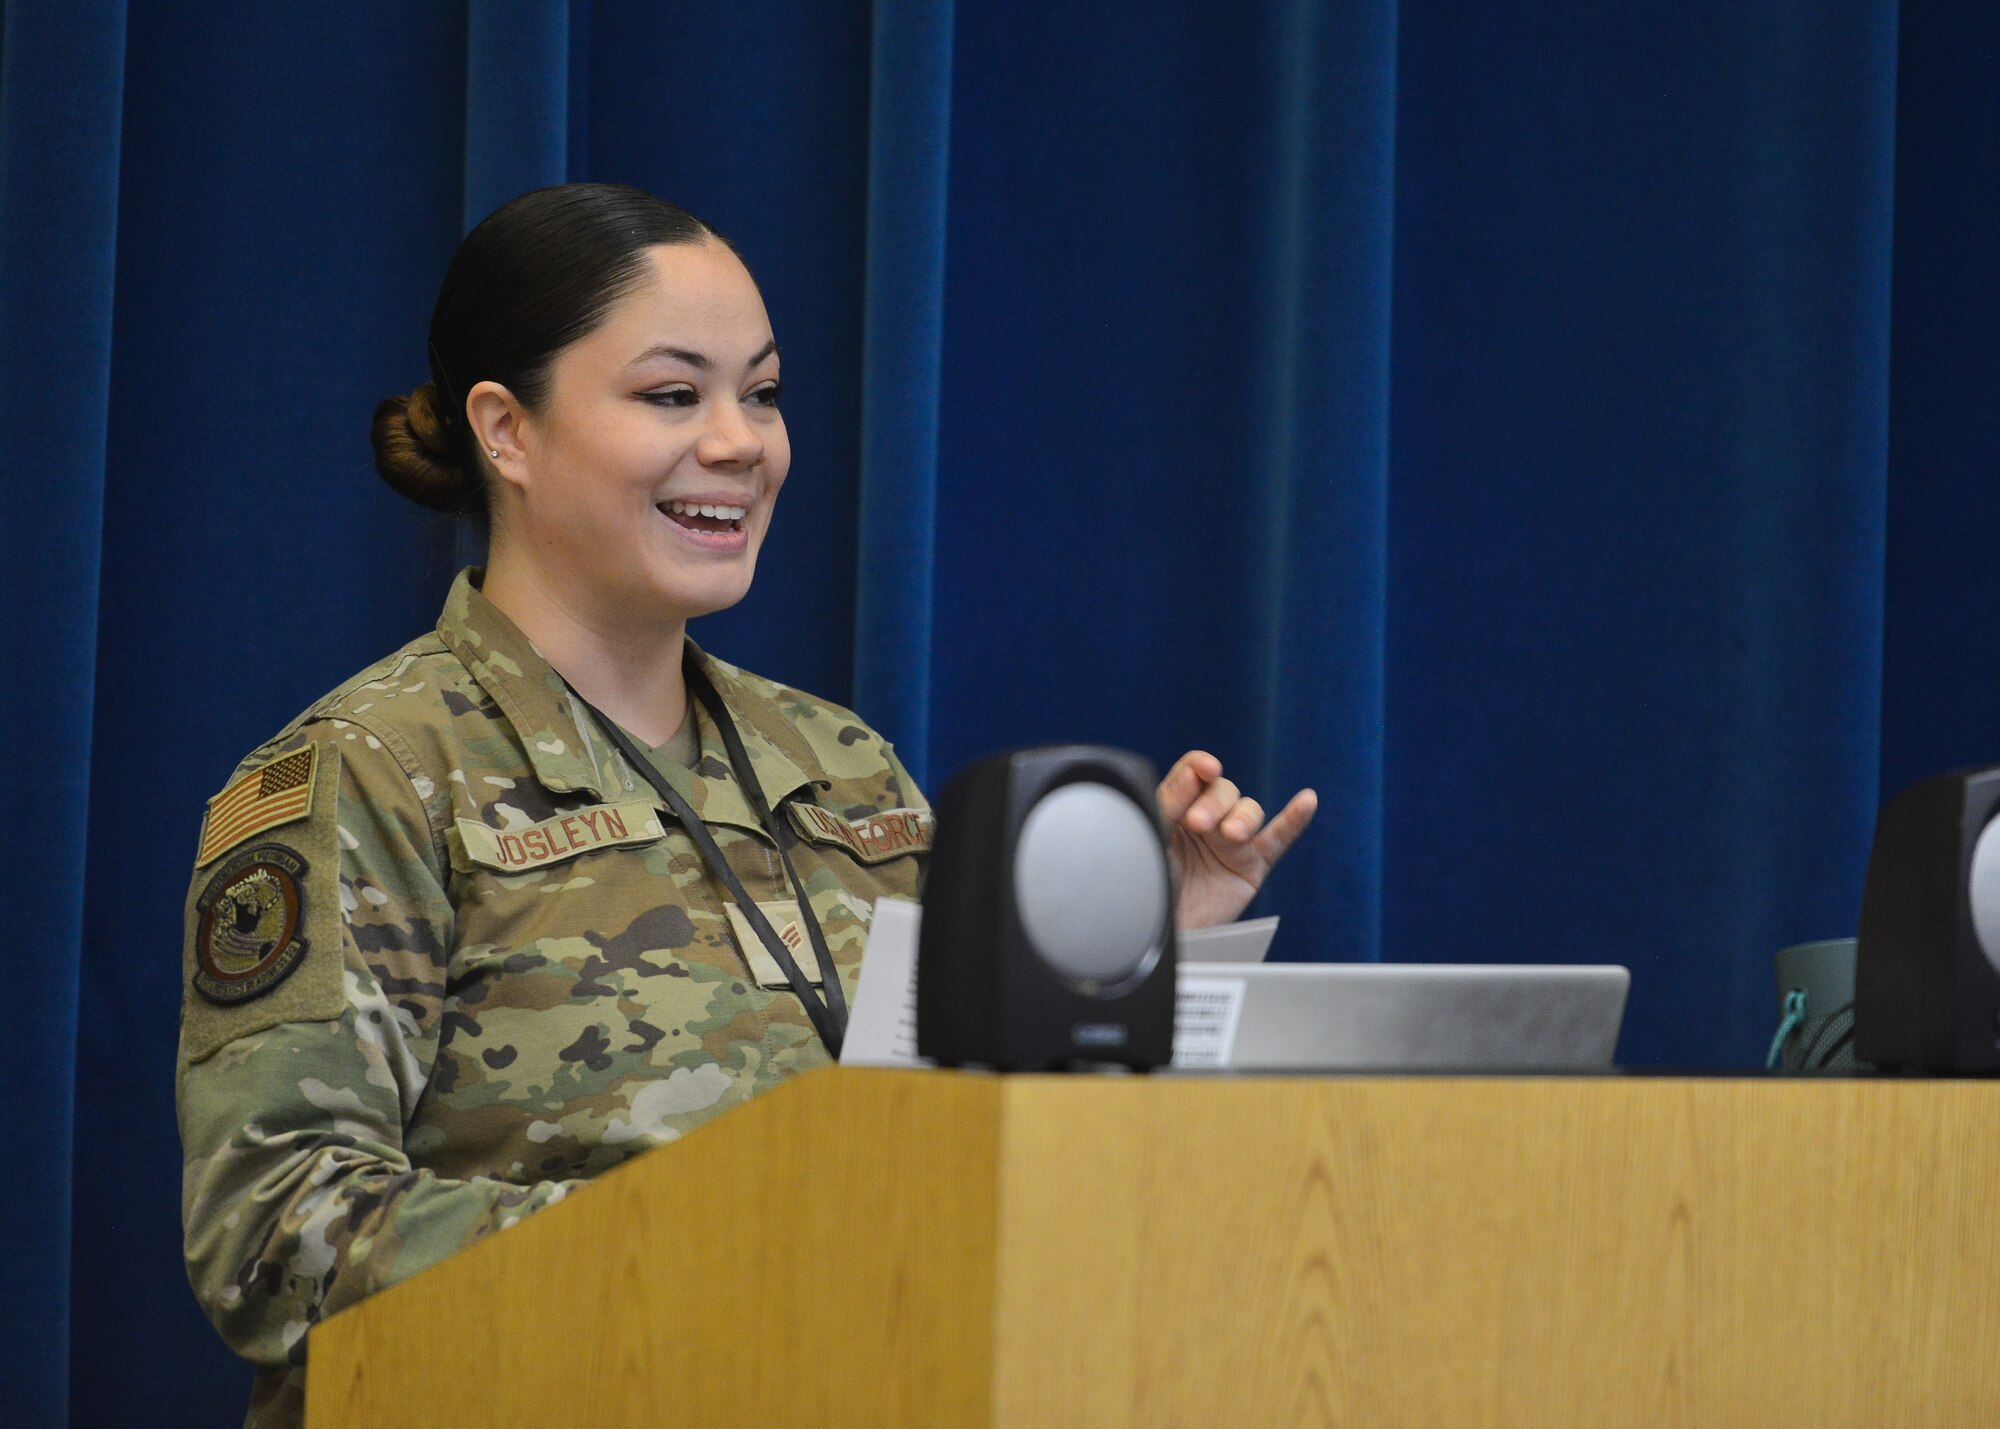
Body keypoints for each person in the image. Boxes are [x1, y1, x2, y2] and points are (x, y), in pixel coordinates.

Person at [177, 183, 1318, 1428]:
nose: (741, 443)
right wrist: (734, 1237)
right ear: (505, 430)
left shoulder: (843, 765)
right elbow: (276, 1235)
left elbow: (980, 1155)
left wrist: (1140, 955)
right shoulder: (370, 772)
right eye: (673, 394)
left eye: (761, 393)